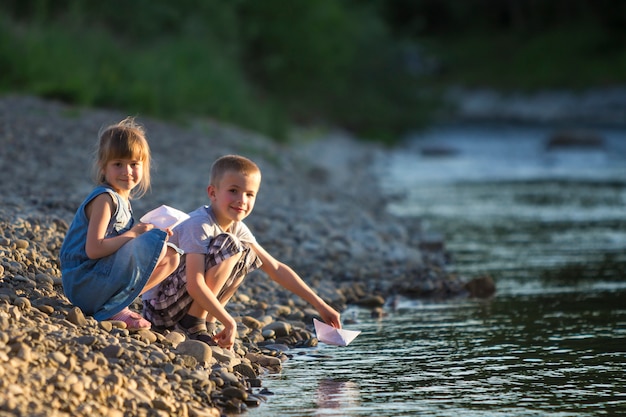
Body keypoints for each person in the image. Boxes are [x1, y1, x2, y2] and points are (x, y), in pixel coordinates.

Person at [142, 154, 342, 350]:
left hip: (180, 303)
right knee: (230, 245)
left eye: (249, 194)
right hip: (160, 308)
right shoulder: (199, 224)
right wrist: (229, 321)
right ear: (212, 193)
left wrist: (320, 305)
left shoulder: (237, 226)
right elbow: (195, 284)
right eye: (233, 191)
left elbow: (276, 268)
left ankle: (206, 323)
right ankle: (192, 323)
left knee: (248, 252)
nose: (242, 200)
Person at [60, 117, 180, 330]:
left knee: (172, 257)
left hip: (99, 278)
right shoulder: (105, 199)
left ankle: (118, 303)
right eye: (118, 164)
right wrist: (135, 234)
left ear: (144, 166)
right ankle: (112, 309)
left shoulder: (123, 200)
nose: (127, 171)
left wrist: (154, 234)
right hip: (83, 282)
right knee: (154, 241)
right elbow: (94, 249)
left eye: (134, 164)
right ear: (103, 167)